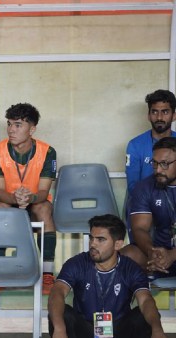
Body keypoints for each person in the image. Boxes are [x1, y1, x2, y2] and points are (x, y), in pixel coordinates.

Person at [48, 214, 165, 338]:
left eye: (101, 239)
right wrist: (59, 328)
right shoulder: (77, 263)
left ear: (118, 244)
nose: (93, 244)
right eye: (91, 238)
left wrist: (157, 330)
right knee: (61, 314)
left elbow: (145, 300)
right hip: (84, 329)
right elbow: (57, 292)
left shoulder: (131, 268)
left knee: (143, 316)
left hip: (120, 330)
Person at [0, 102, 57, 294]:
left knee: (43, 208)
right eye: (9, 124)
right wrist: (15, 198)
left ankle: (47, 274)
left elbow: (43, 191)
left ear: (32, 129)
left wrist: (30, 197)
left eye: (18, 125)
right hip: (8, 201)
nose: (11, 130)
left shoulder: (48, 152)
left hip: (35, 202)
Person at [121, 136, 176, 278]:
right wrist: (151, 251)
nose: (158, 170)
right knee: (125, 256)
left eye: (164, 164)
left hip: (172, 254)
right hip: (157, 257)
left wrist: (173, 255)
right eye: (155, 163)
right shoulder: (144, 187)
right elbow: (139, 228)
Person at [126, 89, 176, 194]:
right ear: (149, 116)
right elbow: (133, 186)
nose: (159, 117)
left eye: (165, 112)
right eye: (154, 112)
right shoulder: (135, 145)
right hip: (144, 203)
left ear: (174, 116)